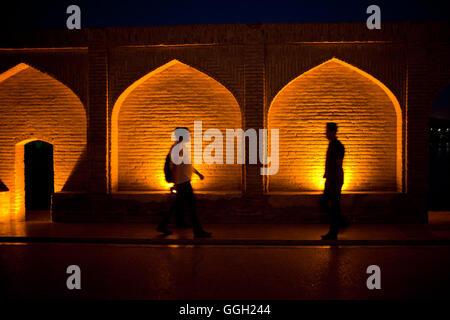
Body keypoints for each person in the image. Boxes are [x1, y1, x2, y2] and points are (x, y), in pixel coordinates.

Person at [157, 127, 212, 238]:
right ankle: (198, 231)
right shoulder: (177, 148)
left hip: (183, 180)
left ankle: (163, 225)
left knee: (178, 204)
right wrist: (175, 181)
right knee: (191, 205)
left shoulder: (181, 148)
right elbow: (174, 166)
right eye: (187, 134)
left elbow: (187, 165)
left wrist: (197, 173)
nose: (189, 137)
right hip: (183, 181)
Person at [320, 122, 347, 240]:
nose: (325, 133)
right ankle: (339, 223)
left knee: (331, 205)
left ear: (332, 132)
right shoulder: (332, 145)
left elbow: (338, 165)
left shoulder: (337, 146)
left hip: (334, 181)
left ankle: (335, 230)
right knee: (329, 205)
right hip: (331, 180)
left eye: (327, 131)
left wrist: (334, 182)